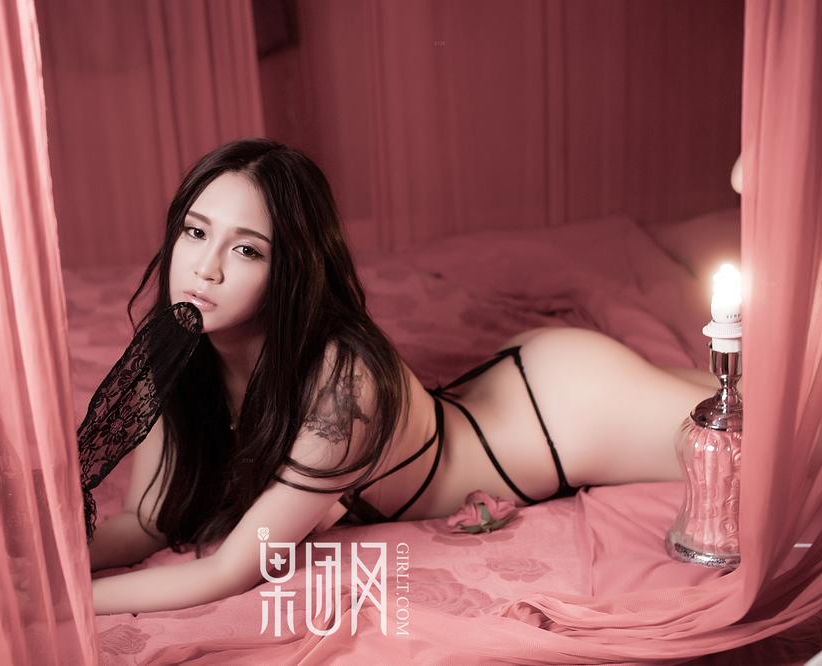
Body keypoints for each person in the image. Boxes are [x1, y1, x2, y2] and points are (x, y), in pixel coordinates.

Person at [88, 138, 725, 615]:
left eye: (247, 248)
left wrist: (60, 611)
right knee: (733, 396)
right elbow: (148, 521)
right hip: (506, 387)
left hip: (566, 418)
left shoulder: (342, 390)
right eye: (195, 232)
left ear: (291, 270)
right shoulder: (175, 348)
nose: (206, 269)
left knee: (761, 431)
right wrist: (44, 568)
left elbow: (230, 571)